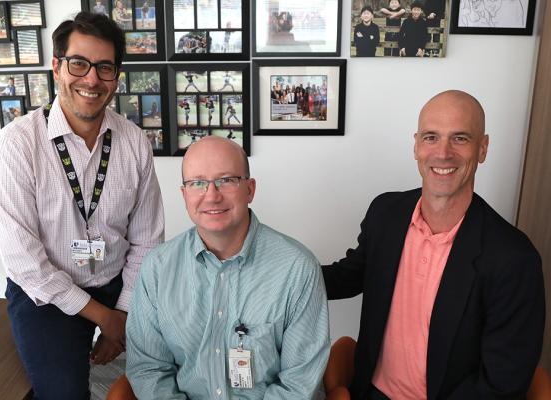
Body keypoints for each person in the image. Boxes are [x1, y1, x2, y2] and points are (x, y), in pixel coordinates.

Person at [0, 12, 165, 400]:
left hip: (119, 286)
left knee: (167, 374)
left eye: (105, 68)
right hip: (46, 295)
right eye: (79, 64)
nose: (91, 80)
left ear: (116, 77)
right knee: (63, 393)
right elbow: (26, 265)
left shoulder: (134, 142)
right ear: (57, 66)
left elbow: (148, 240)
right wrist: (107, 320)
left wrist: (126, 311)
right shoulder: (15, 146)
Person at [322, 90, 545, 399]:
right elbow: (349, 275)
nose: (443, 153)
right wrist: (276, 270)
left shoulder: (514, 258)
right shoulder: (386, 213)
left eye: (460, 138)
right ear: (416, 145)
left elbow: (502, 382)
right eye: (431, 137)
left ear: (483, 148)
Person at [126, 136, 329, 399]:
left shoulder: (298, 268)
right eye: (197, 183)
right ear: (184, 194)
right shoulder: (157, 268)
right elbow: (148, 369)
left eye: (226, 180)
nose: (211, 195)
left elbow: (299, 383)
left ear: (250, 190)